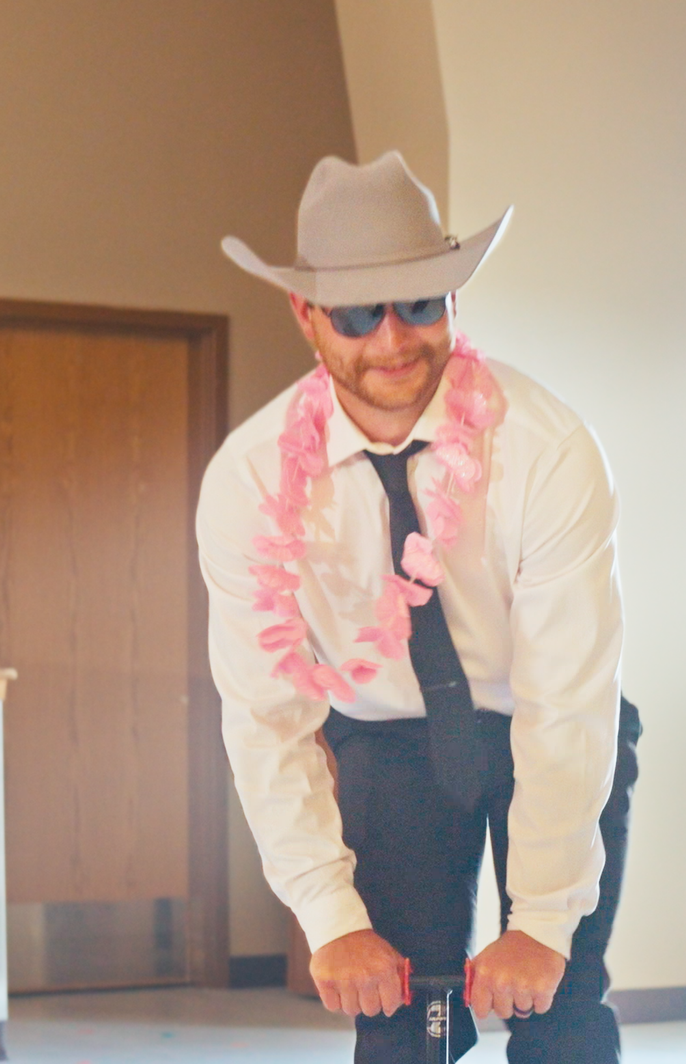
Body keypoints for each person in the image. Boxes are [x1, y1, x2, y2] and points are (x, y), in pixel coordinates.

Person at [202, 151, 638, 1063]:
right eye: (361, 313)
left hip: (541, 727)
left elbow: (567, 698)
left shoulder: (549, 448)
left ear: (452, 303)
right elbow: (266, 719)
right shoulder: (249, 480)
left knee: (563, 1013)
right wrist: (330, 916)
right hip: (387, 739)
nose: (395, 339)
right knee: (403, 1031)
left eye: (421, 304)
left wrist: (545, 919)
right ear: (307, 316)